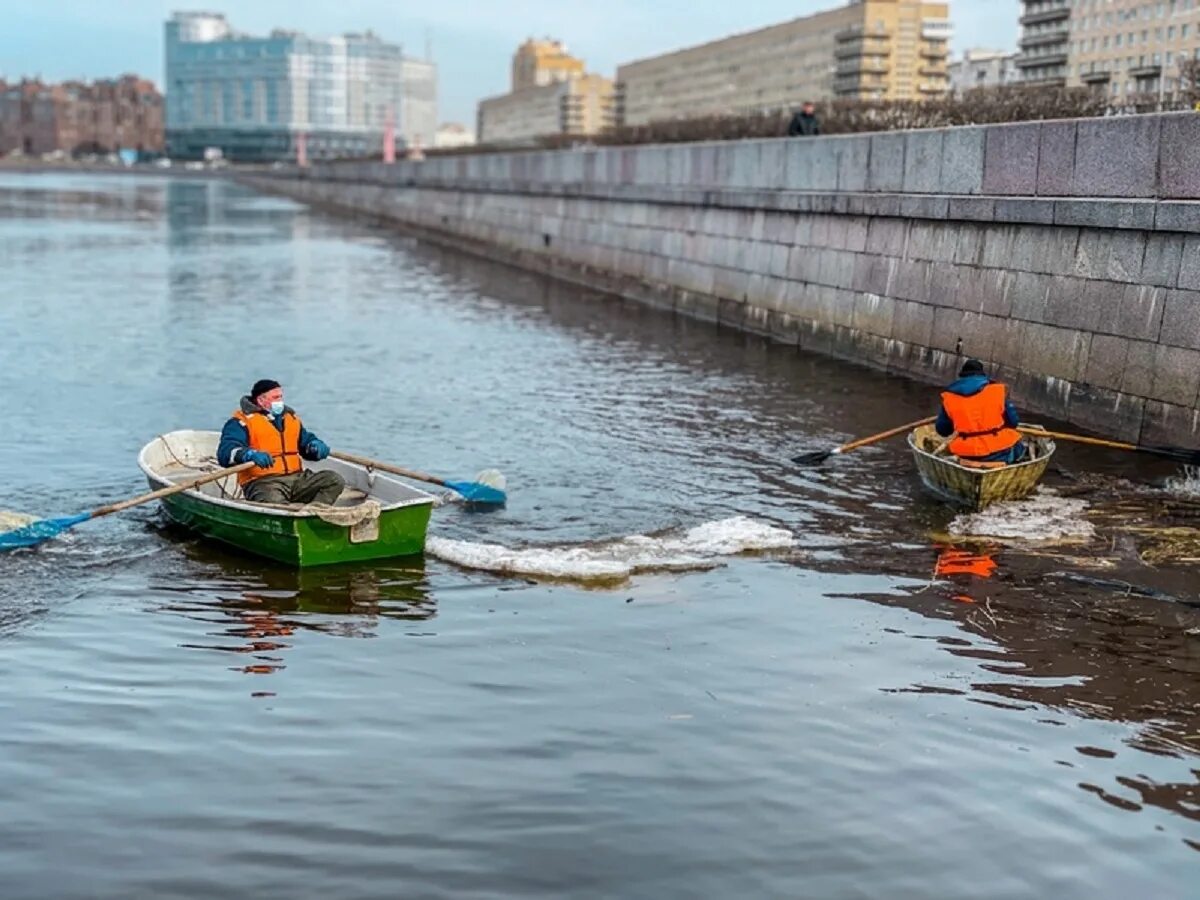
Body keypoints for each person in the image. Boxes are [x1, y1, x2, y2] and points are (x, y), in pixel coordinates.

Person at [217, 379, 346, 505]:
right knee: (274, 502)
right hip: (264, 482)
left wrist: (314, 446)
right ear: (261, 400)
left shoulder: (290, 418)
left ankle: (314, 512)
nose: (280, 401)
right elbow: (225, 453)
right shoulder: (241, 422)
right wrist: (248, 454)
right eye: (275, 398)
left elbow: (305, 442)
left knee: (334, 480)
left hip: (297, 478)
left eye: (280, 397)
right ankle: (286, 516)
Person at [935, 359, 1026, 464]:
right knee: (1019, 445)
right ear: (982, 376)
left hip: (966, 453)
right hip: (998, 451)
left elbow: (942, 430)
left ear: (962, 377)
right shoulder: (996, 391)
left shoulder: (949, 398)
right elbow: (1013, 423)